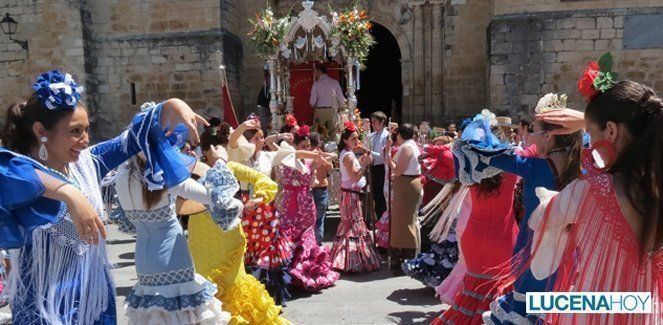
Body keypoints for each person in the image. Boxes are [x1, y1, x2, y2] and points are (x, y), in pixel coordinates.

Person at [0, 70, 208, 324]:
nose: (85, 140)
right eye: (75, 131)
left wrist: (172, 105)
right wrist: (69, 193)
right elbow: (12, 173)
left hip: (93, 302)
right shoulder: (16, 173)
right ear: (41, 130)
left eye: (87, 129)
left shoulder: (87, 164)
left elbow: (132, 138)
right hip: (46, 308)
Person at [509, 77, 663, 323]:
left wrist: (585, 119)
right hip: (646, 309)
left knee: (528, 308)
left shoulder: (589, 190)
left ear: (611, 131)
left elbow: (542, 221)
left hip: (593, 310)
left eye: (589, 133)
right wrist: (589, 120)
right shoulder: (655, 189)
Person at [480, 93, 583, 325]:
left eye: (534, 131)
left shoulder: (535, 168)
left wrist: (479, 129)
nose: (529, 136)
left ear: (548, 136)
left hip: (534, 250)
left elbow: (487, 154)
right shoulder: (580, 169)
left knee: (527, 309)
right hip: (567, 252)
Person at [114, 153, 231, 324]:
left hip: (144, 260)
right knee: (184, 314)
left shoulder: (123, 173)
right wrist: (221, 161)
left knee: (156, 314)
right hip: (172, 257)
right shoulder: (165, 174)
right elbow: (215, 195)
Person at [184, 146, 291, 324]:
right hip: (201, 235)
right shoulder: (190, 168)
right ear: (210, 151)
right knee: (204, 279)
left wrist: (258, 198)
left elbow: (264, 180)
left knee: (231, 281)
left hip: (227, 234)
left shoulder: (230, 167)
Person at [274, 126, 340, 291]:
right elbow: (291, 152)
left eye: (308, 146)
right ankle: (288, 273)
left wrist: (324, 159)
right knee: (289, 233)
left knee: (306, 235)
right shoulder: (288, 155)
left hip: (305, 201)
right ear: (295, 145)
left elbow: (313, 182)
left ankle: (306, 273)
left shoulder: (311, 161)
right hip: (290, 202)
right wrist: (317, 156)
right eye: (303, 146)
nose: (306, 149)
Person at [330, 122, 381, 273]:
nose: (356, 141)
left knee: (349, 226)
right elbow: (354, 178)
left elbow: (350, 170)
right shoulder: (348, 155)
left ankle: (347, 259)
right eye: (353, 138)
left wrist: (360, 162)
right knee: (352, 226)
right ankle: (352, 260)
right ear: (345, 140)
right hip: (350, 195)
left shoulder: (347, 154)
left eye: (357, 138)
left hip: (349, 194)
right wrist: (364, 165)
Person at [386, 123, 423, 272]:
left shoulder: (407, 147)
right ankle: (405, 257)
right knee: (403, 220)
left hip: (406, 184)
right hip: (407, 184)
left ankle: (406, 258)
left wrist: (389, 160)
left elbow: (399, 170)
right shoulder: (410, 145)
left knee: (403, 221)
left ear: (401, 135)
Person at [310, 63, 346, 141]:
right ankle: (333, 150)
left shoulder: (316, 84)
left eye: (315, 71)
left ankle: (323, 150)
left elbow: (312, 102)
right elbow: (342, 100)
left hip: (320, 112)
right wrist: (340, 108)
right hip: (332, 111)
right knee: (334, 133)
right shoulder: (335, 82)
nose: (314, 73)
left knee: (321, 134)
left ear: (319, 71)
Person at [309, 132, 332, 245]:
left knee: (310, 221)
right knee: (319, 220)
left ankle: (310, 244)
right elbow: (330, 167)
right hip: (322, 189)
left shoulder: (306, 155)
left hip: (310, 190)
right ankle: (318, 243)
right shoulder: (322, 155)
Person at [367, 111, 389, 225]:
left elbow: (383, 156)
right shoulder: (373, 135)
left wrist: (369, 152)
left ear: (382, 122)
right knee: (375, 195)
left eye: (375, 122)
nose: (372, 124)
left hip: (381, 168)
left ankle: (383, 221)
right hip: (373, 168)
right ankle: (379, 220)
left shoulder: (386, 136)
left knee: (381, 196)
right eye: (372, 122)